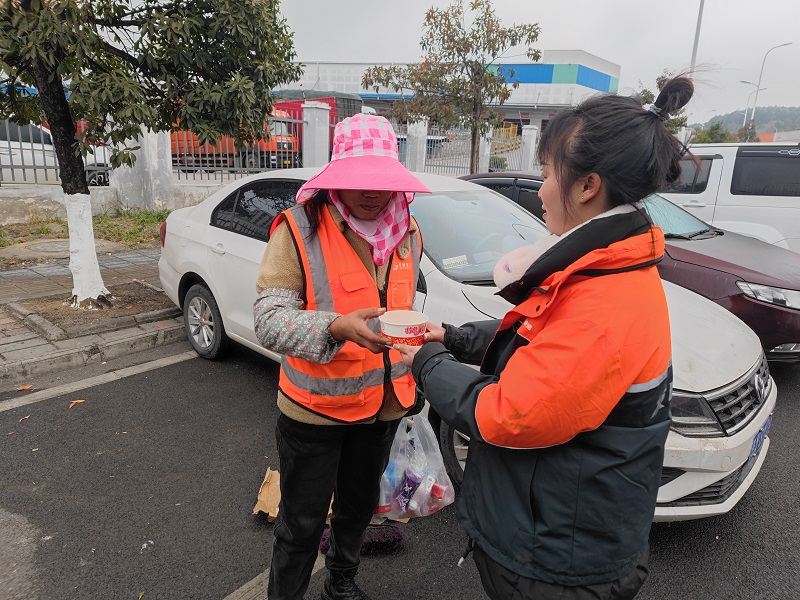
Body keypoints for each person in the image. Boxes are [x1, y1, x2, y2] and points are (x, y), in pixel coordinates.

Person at [395, 76, 694, 599]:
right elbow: (542, 339)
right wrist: (456, 336)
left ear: (586, 186)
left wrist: (425, 360)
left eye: (547, 171)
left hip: (558, 561)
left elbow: (509, 412)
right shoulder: (603, 273)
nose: (539, 188)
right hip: (563, 531)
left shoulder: (607, 300)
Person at [253, 113, 429, 600]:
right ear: (336, 176)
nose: (373, 193)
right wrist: (335, 326)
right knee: (301, 524)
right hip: (314, 411)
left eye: (382, 181)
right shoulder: (298, 230)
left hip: (382, 407)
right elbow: (269, 319)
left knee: (357, 508)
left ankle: (342, 584)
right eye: (359, 180)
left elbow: (406, 301)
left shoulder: (408, 231)